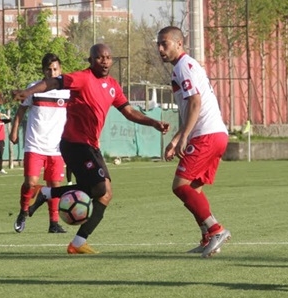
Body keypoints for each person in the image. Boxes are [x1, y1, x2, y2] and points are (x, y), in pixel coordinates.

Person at [13, 43, 169, 254]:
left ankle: (76, 242)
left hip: (91, 146)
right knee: (99, 189)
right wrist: (28, 92)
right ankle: (48, 193)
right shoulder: (82, 78)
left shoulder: (113, 85)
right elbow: (53, 82)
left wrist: (153, 122)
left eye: (108, 57)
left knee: (105, 195)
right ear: (90, 60)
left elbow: (129, 111)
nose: (104, 61)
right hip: (74, 143)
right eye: (99, 57)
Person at [156, 26, 231, 258]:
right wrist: (177, 138)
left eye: (165, 43)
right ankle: (207, 237)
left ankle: (216, 229)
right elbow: (190, 109)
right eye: (158, 44)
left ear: (179, 44)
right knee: (194, 189)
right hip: (215, 134)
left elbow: (196, 103)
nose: (160, 49)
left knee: (180, 186)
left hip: (206, 135)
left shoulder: (183, 66)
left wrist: (185, 136)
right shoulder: (184, 67)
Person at [10, 53, 68, 234]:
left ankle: (54, 223)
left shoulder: (67, 91)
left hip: (57, 147)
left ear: (60, 69)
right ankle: (23, 211)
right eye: (49, 69)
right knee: (30, 183)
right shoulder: (33, 89)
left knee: (55, 186)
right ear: (43, 71)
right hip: (34, 144)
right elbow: (21, 110)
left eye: (55, 69)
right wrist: (14, 130)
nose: (52, 72)